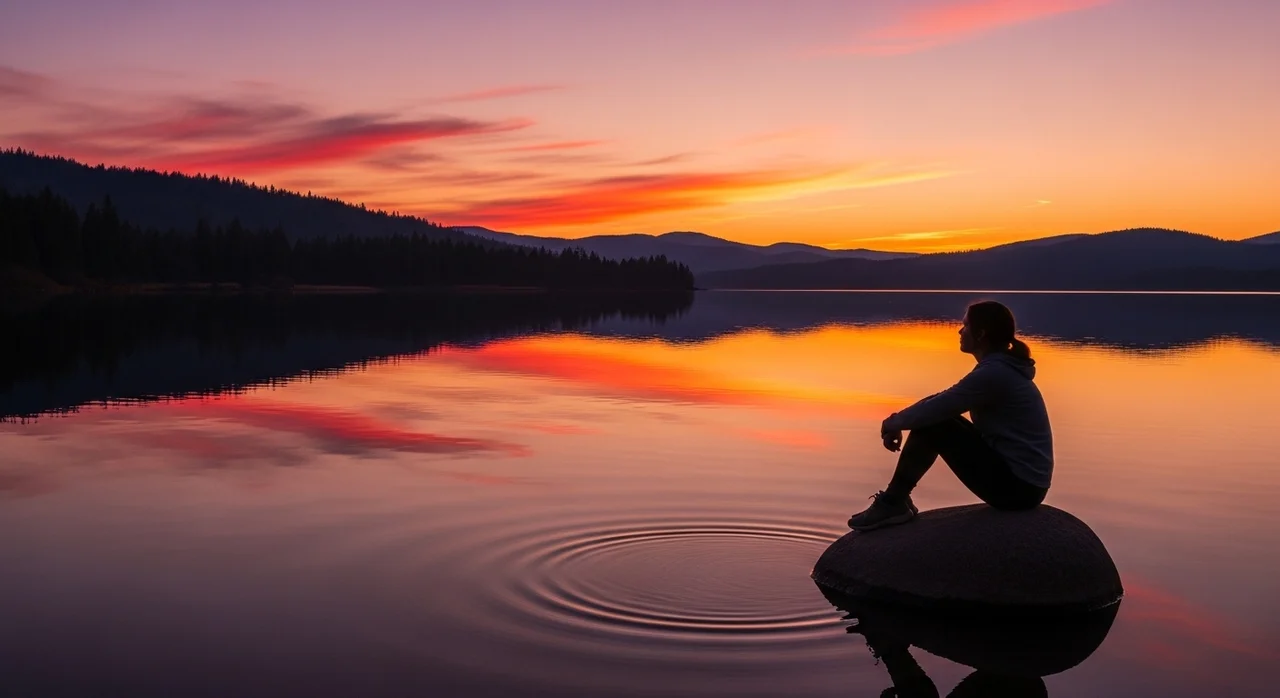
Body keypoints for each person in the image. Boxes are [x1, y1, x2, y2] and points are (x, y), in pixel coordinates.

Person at [847, 300, 1053, 531]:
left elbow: (939, 407)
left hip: (1019, 490)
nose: (959, 330)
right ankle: (897, 501)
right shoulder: (998, 369)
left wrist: (893, 423)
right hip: (1024, 484)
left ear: (981, 333)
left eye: (965, 325)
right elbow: (943, 400)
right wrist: (897, 420)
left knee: (935, 425)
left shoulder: (995, 373)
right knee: (936, 420)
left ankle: (894, 502)